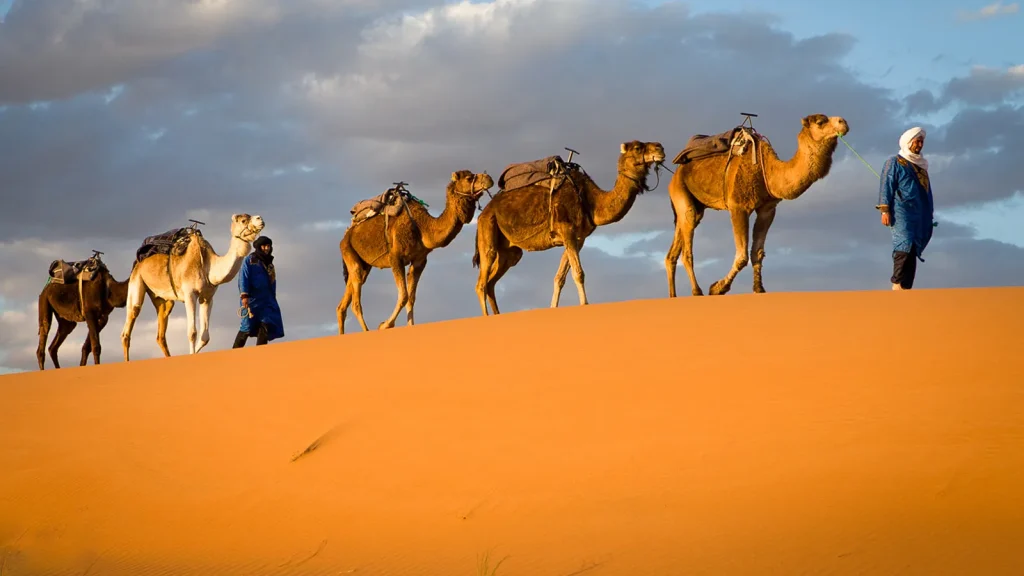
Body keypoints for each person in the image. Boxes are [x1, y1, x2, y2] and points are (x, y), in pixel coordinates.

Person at [876, 126, 936, 291]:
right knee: (904, 243)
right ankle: (897, 283)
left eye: (921, 141)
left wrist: (929, 214)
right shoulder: (894, 162)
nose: (919, 144)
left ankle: (906, 288)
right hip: (901, 210)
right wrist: (885, 210)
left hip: (920, 213)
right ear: (908, 142)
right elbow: (886, 185)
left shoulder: (921, 166)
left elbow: (927, 191)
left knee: (913, 247)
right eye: (917, 141)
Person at [232, 236, 284, 348]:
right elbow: (243, 278)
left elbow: (272, 282)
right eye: (264, 246)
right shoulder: (250, 261)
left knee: (266, 324)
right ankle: (234, 353)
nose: (266, 248)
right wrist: (244, 295)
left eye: (268, 246)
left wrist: (272, 298)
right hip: (252, 300)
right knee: (246, 326)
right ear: (259, 247)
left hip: (266, 301)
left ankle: (261, 353)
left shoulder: (269, 264)